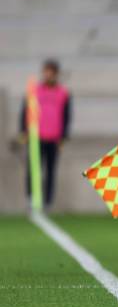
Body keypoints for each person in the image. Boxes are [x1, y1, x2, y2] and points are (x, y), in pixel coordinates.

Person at [19, 59, 71, 209]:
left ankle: (48, 202)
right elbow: (25, 112)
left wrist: (63, 137)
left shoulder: (63, 93)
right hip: (36, 138)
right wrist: (24, 131)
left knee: (50, 171)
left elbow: (66, 116)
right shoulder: (34, 91)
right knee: (33, 170)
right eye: (46, 71)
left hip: (54, 138)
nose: (48, 75)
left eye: (51, 72)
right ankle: (31, 199)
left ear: (56, 74)